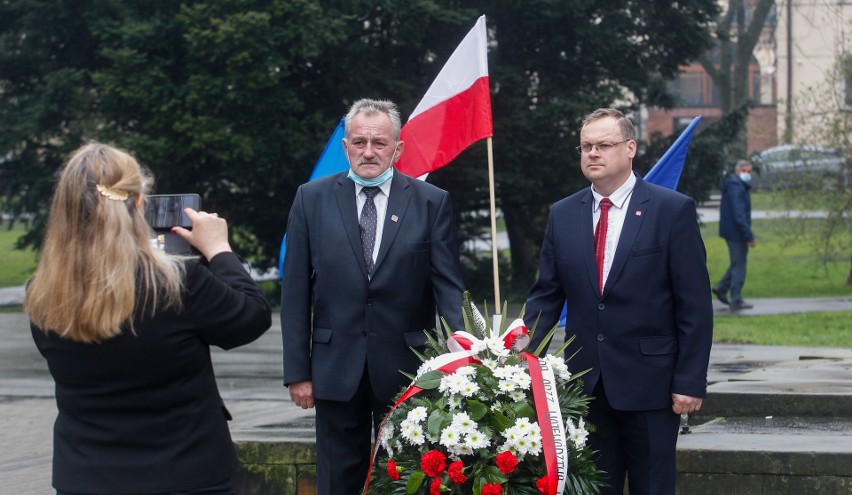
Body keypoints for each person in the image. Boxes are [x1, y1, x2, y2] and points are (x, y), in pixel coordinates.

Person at [25, 142, 272, 495]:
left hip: (85, 477)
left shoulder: (44, 294)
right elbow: (251, 317)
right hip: (186, 474)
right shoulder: (176, 284)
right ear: (139, 203)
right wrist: (218, 249)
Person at [524, 108, 713, 495]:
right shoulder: (563, 214)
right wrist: (517, 352)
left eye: (603, 145)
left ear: (630, 148)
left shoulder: (671, 210)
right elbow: (546, 294)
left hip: (653, 387)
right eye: (586, 146)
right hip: (585, 386)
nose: (593, 153)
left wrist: (690, 380)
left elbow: (694, 305)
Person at [280, 98, 465, 494]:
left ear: (397, 148)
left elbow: (448, 288)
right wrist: (298, 372)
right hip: (333, 370)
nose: (368, 151)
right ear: (345, 146)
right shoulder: (310, 199)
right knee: (337, 481)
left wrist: (465, 356)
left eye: (379, 143)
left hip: (408, 372)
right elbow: (294, 291)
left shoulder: (432, 202)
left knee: (404, 480)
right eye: (359, 141)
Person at [713, 159, 756, 310]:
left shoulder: (735, 185)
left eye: (749, 172)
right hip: (736, 232)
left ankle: (722, 288)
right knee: (740, 265)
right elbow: (739, 215)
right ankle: (736, 298)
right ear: (738, 171)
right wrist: (749, 235)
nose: (748, 174)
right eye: (746, 171)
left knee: (737, 263)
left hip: (733, 230)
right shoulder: (736, 187)